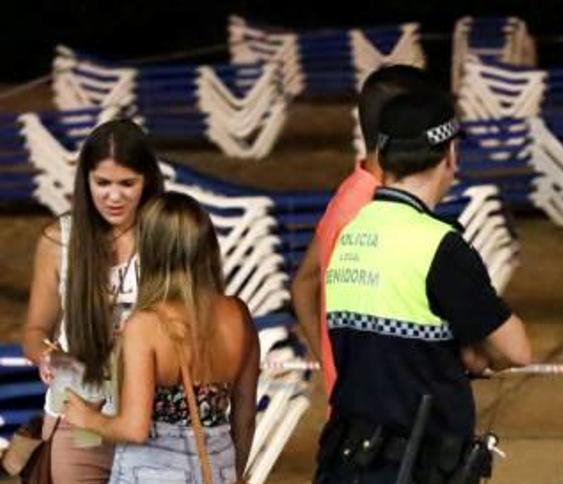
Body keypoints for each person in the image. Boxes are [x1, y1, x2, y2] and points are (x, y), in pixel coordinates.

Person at [315, 87, 532, 483]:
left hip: (346, 462)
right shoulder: (438, 247)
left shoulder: (350, 234)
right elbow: (516, 349)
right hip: (412, 466)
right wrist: (474, 353)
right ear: (450, 156)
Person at [64, 192, 261, 484]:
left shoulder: (146, 325)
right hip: (219, 465)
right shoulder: (238, 314)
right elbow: (244, 417)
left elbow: (134, 427)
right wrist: (233, 472)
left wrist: (85, 418)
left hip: (151, 469)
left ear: (151, 249)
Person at [22, 119, 163, 483]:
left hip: (153, 414)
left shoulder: (166, 236)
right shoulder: (59, 241)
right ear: (85, 181)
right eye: (102, 183)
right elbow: (35, 331)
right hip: (79, 409)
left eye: (126, 184)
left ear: (147, 180)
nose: (113, 196)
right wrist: (48, 354)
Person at [290, 64, 431, 396]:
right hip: (380, 418)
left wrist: (333, 368)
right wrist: (337, 369)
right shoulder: (367, 207)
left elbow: (303, 283)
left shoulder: (353, 191)